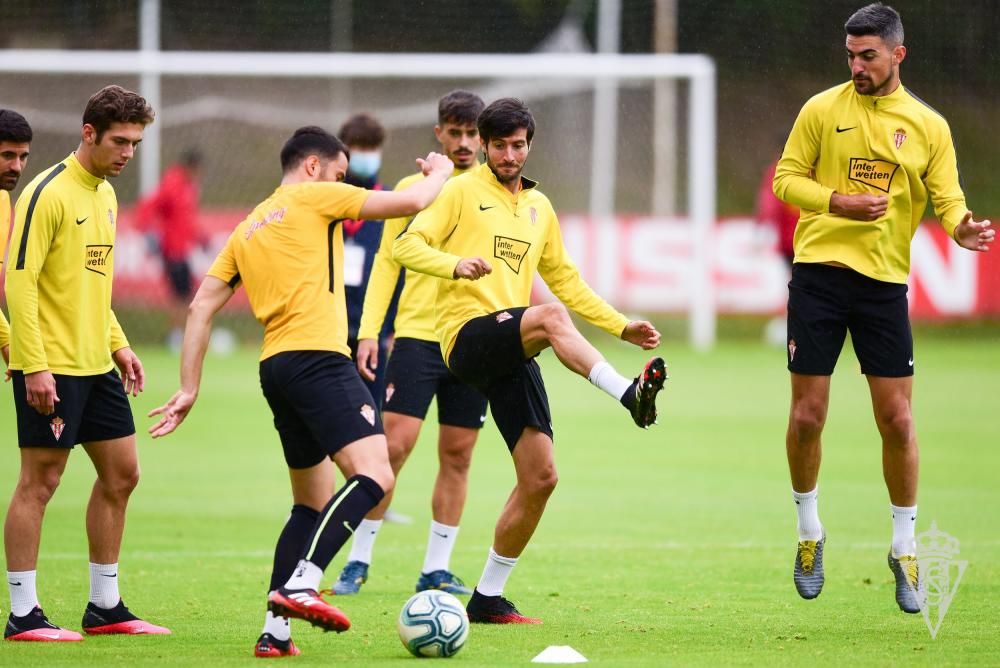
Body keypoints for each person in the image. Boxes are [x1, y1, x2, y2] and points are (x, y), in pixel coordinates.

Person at [146, 126, 454, 657]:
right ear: (314, 167)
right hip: (319, 360)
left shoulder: (248, 227)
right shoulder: (315, 196)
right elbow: (412, 199)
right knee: (376, 474)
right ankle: (303, 583)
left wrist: (189, 388)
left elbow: (200, 307)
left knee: (309, 506)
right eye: (340, 172)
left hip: (276, 369)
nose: (343, 183)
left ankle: (275, 632)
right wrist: (442, 173)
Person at [393, 98, 667, 624]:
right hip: (465, 338)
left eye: (518, 145)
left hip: (510, 346)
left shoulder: (540, 209)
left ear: (529, 144)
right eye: (500, 146)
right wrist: (454, 265)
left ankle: (488, 598)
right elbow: (408, 245)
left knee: (541, 477)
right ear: (486, 146)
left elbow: (566, 280)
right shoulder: (459, 191)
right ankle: (628, 394)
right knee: (548, 316)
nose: (510, 155)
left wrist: (620, 325)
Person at [773, 3, 994, 614]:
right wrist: (836, 203)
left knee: (896, 421)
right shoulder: (822, 109)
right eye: (850, 55)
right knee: (808, 416)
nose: (856, 66)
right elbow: (785, 180)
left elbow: (947, 197)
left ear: (899, 52)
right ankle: (810, 533)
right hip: (818, 276)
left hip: (883, 287)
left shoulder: (929, 125)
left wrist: (960, 227)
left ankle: (903, 546)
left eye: (867, 55)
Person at [3, 85, 169, 641]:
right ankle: (23, 613)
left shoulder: (106, 195)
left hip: (97, 365)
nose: (127, 152)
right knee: (40, 482)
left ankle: (105, 606)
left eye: (136, 143)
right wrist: (32, 364)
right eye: (119, 141)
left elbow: (93, 286)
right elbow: (20, 284)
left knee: (123, 475)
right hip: (51, 365)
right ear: (89, 133)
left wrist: (119, 343)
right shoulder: (47, 193)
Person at [333, 91, 489, 597]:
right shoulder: (412, 189)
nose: (464, 142)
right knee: (392, 448)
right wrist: (369, 332)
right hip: (418, 336)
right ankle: (358, 559)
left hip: (474, 339)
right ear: (439, 133)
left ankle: (436, 567)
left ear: (483, 138)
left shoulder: (500, 191)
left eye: (472, 133)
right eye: (455, 132)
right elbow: (386, 264)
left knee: (459, 454)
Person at [336, 113, 400, 405]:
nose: (365, 155)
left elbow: (400, 270)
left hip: (373, 331)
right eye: (359, 147)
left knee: (370, 414)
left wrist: (394, 327)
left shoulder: (391, 203)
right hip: (328, 329)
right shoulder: (326, 201)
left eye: (371, 147)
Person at [133, 148, 203, 351]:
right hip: (172, 249)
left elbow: (187, 219)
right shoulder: (172, 183)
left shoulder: (190, 187)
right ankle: (175, 336)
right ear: (191, 167)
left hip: (183, 249)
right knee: (179, 294)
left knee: (187, 292)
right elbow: (149, 206)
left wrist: (199, 237)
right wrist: (147, 232)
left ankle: (181, 334)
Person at [0, 109, 33, 370]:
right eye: (7, 156)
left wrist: (6, 342)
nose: (17, 166)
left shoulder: (3, 202)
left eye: (23, 156)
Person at [756, 152, 799, 346]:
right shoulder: (815, 166)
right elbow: (769, 203)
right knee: (799, 285)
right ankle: (794, 327)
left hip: (795, 240)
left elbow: (768, 203)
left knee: (797, 285)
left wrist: (762, 224)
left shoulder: (778, 169)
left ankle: (794, 327)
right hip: (799, 240)